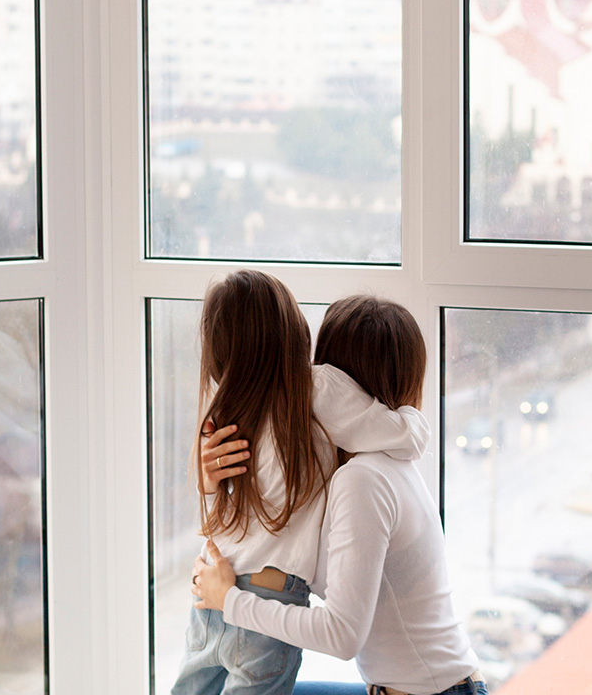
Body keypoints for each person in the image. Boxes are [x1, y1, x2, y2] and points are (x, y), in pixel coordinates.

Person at [192, 294, 486, 695]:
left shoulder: (365, 479)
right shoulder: (367, 466)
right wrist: (213, 483)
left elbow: (342, 636)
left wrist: (228, 600)